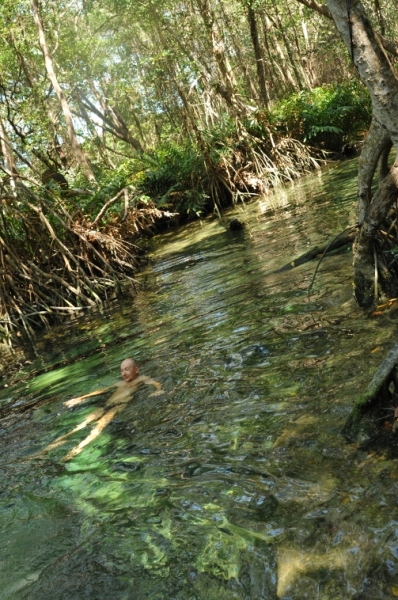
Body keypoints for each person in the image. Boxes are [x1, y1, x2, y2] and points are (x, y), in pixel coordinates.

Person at [42, 358, 163, 461]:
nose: (124, 373)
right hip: (105, 405)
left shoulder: (140, 379)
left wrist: (158, 390)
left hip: (117, 407)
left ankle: (77, 449)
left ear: (136, 370)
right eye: (121, 370)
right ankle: (49, 447)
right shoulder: (120, 383)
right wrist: (80, 398)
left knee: (98, 427)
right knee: (82, 424)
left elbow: (154, 382)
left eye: (127, 369)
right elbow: (101, 391)